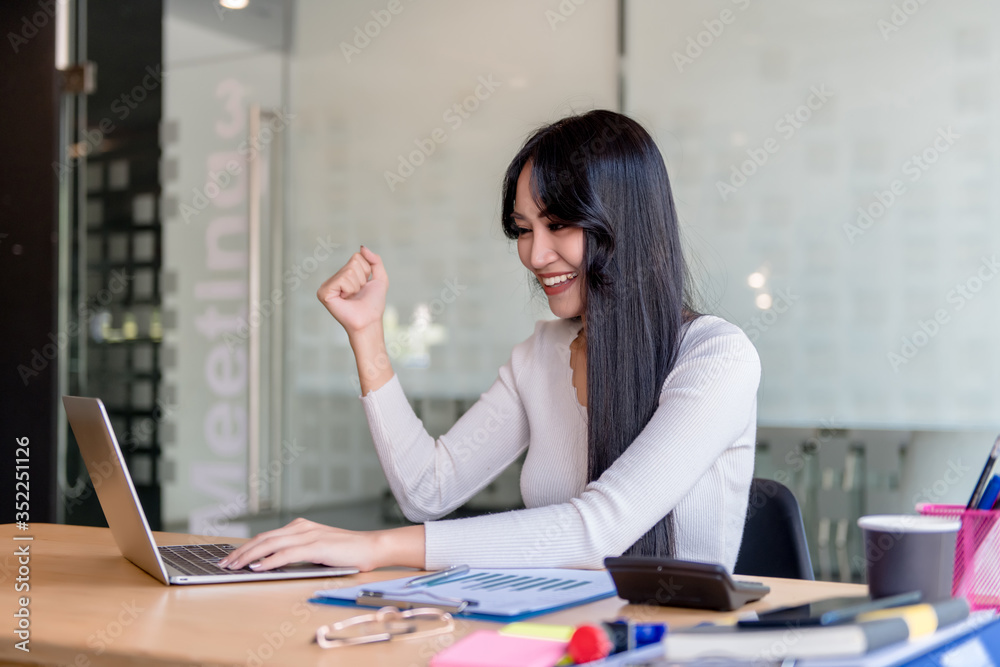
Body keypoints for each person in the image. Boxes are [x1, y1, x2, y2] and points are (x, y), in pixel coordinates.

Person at [218, 110, 760, 574]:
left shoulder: (716, 357)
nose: (536, 254)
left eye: (559, 225)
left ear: (624, 224)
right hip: (563, 634)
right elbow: (426, 491)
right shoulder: (540, 355)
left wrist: (377, 546)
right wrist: (366, 335)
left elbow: (599, 530)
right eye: (524, 229)